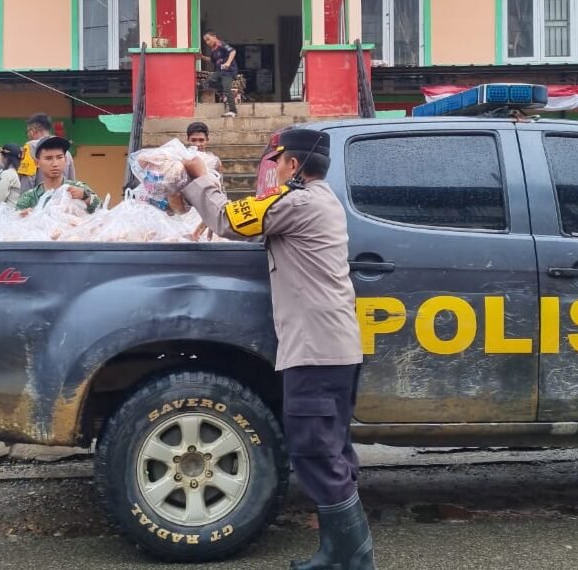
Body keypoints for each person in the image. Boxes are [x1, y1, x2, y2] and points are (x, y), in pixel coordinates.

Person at [178, 129, 374, 570]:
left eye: (278, 162)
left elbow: (230, 219)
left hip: (316, 350)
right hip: (331, 347)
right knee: (332, 450)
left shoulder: (299, 203)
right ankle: (341, 552)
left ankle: (352, 558)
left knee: (315, 449)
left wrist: (197, 177)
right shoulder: (317, 202)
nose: (275, 169)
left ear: (293, 165)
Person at [16, 136, 100, 215]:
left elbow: (102, 211)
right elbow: (15, 221)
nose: (55, 164)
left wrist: (86, 197)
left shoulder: (79, 189)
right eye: (48, 158)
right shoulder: (29, 198)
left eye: (59, 157)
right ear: (37, 163)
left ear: (65, 160)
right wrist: (24, 217)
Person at [19, 113, 76, 191]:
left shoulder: (30, 147)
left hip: (39, 200)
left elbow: (27, 181)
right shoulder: (65, 151)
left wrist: (25, 199)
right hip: (63, 199)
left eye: (28, 131)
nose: (28, 134)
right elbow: (72, 180)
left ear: (33, 130)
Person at [201, 30, 238, 118]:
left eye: (208, 39)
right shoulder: (213, 50)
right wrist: (201, 57)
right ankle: (225, 91)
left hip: (228, 71)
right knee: (209, 82)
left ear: (214, 37)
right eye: (205, 41)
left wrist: (228, 63)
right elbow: (211, 60)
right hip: (220, 71)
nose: (207, 42)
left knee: (227, 89)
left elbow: (233, 51)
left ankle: (233, 111)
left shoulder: (221, 44)